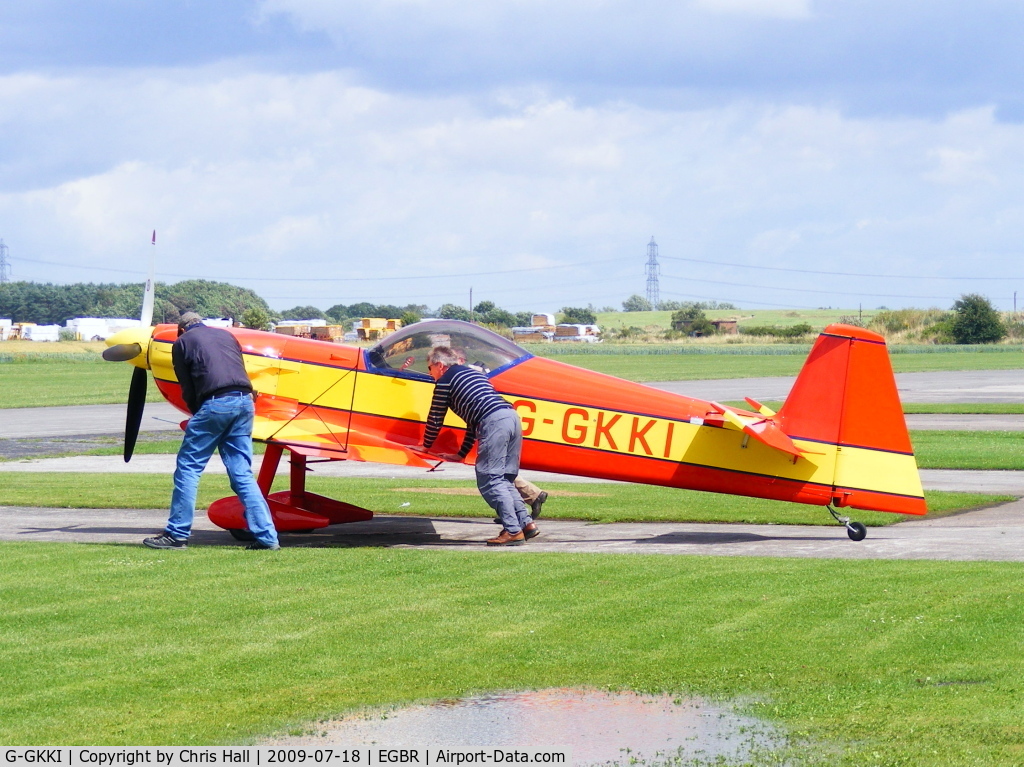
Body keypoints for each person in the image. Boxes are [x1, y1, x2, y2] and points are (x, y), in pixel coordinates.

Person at [143, 312, 280, 551]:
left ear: (183, 330)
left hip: (216, 403)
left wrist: (199, 414)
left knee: (189, 468)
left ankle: (177, 534)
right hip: (246, 402)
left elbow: (187, 387)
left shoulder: (182, 343)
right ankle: (267, 537)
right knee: (242, 473)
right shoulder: (226, 336)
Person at [422, 345, 537, 545]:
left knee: (490, 480)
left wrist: (425, 446)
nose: (429, 373)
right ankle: (526, 524)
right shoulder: (472, 375)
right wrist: (462, 453)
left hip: (493, 421)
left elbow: (435, 418)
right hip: (510, 416)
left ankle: (512, 531)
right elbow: (473, 422)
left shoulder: (444, 382)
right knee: (504, 479)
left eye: (429, 368)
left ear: (440, 365)